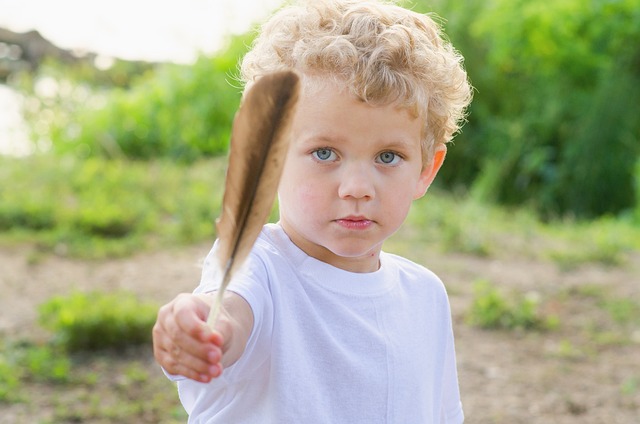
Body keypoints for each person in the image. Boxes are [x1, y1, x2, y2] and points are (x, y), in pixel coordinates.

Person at [152, 0, 472, 422]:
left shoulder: (425, 296)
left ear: (426, 170)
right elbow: (229, 311)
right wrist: (200, 329)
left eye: (388, 157)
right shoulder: (259, 266)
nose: (357, 188)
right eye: (325, 153)